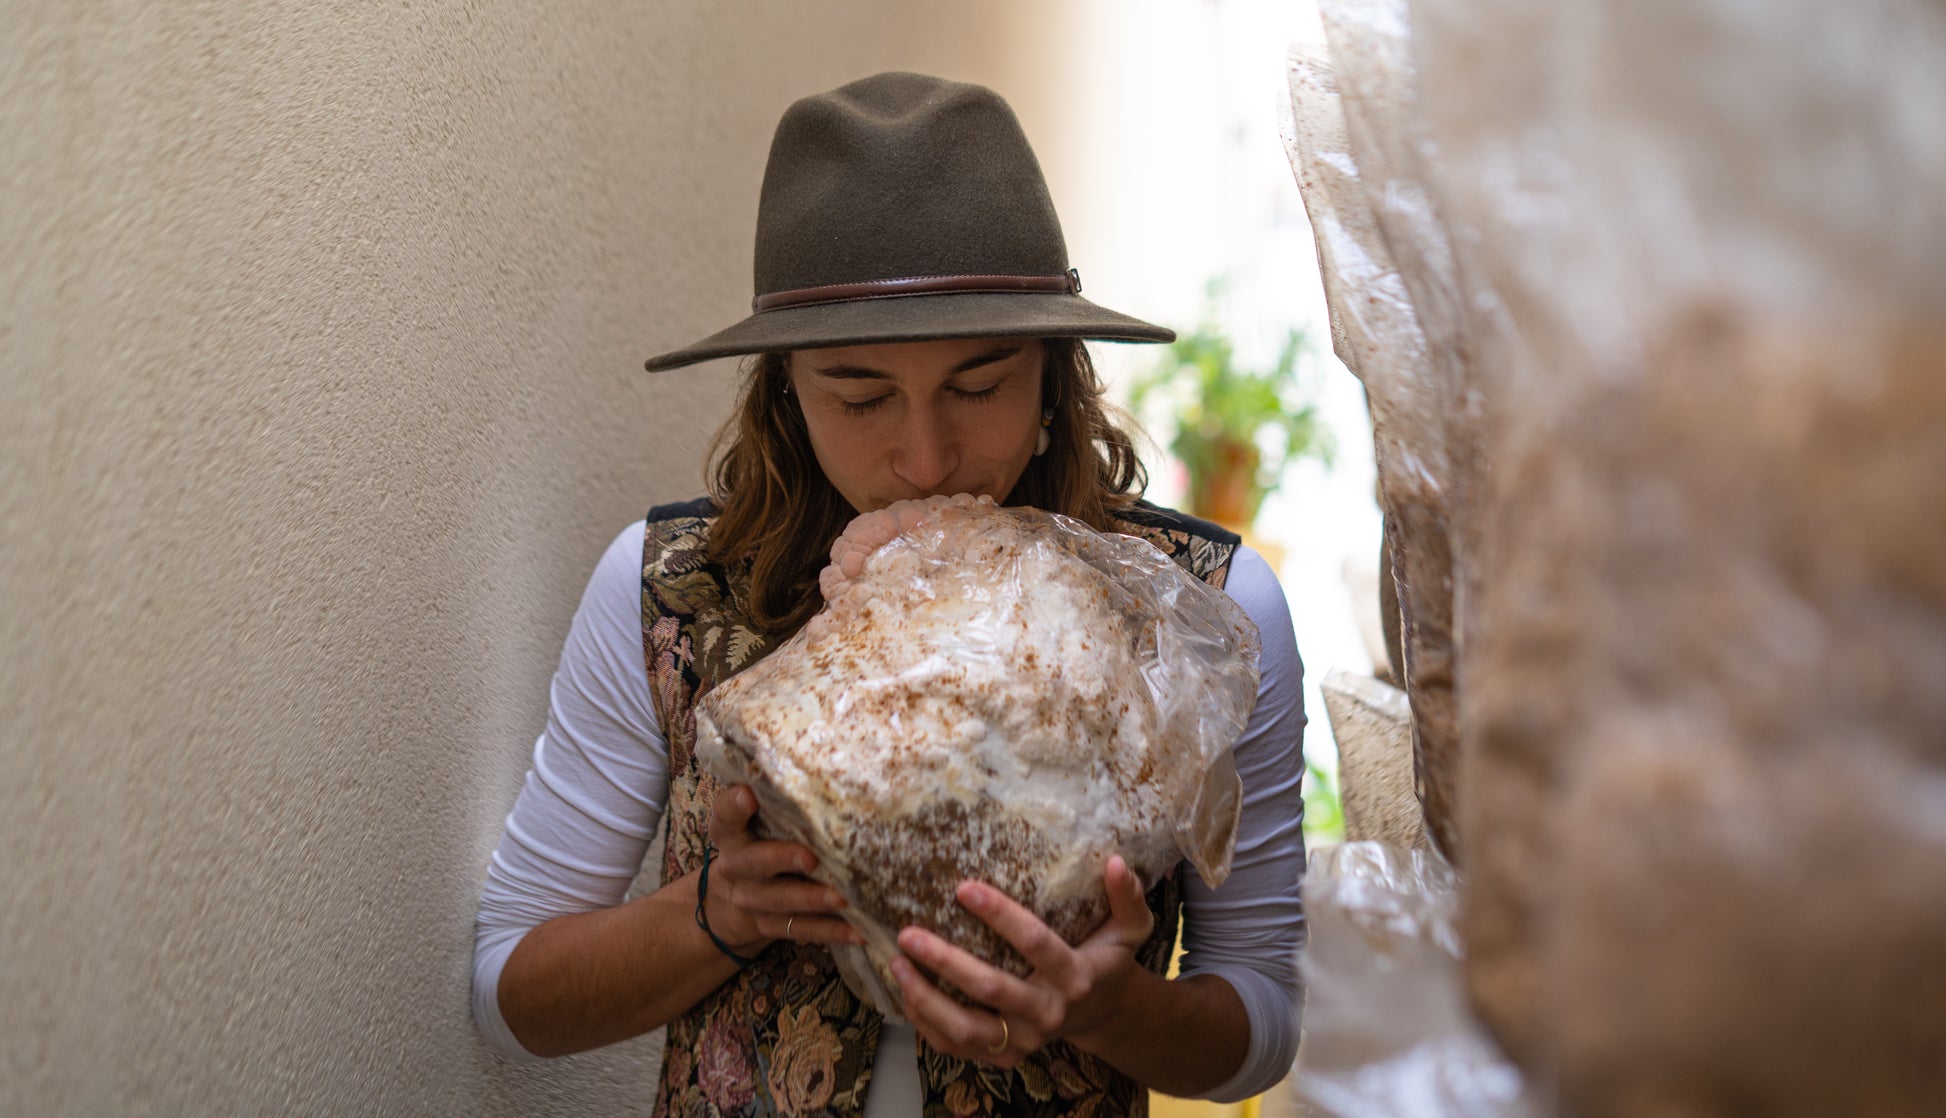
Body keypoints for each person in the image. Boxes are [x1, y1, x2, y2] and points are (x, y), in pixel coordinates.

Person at [474, 72, 1307, 1117]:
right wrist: (715, 911)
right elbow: (512, 991)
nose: (923, 455)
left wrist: (1108, 1009)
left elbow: (1260, 1020)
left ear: (1054, 372)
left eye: (979, 384)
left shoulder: (1205, 616)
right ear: (783, 385)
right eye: (859, 394)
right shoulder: (670, 596)